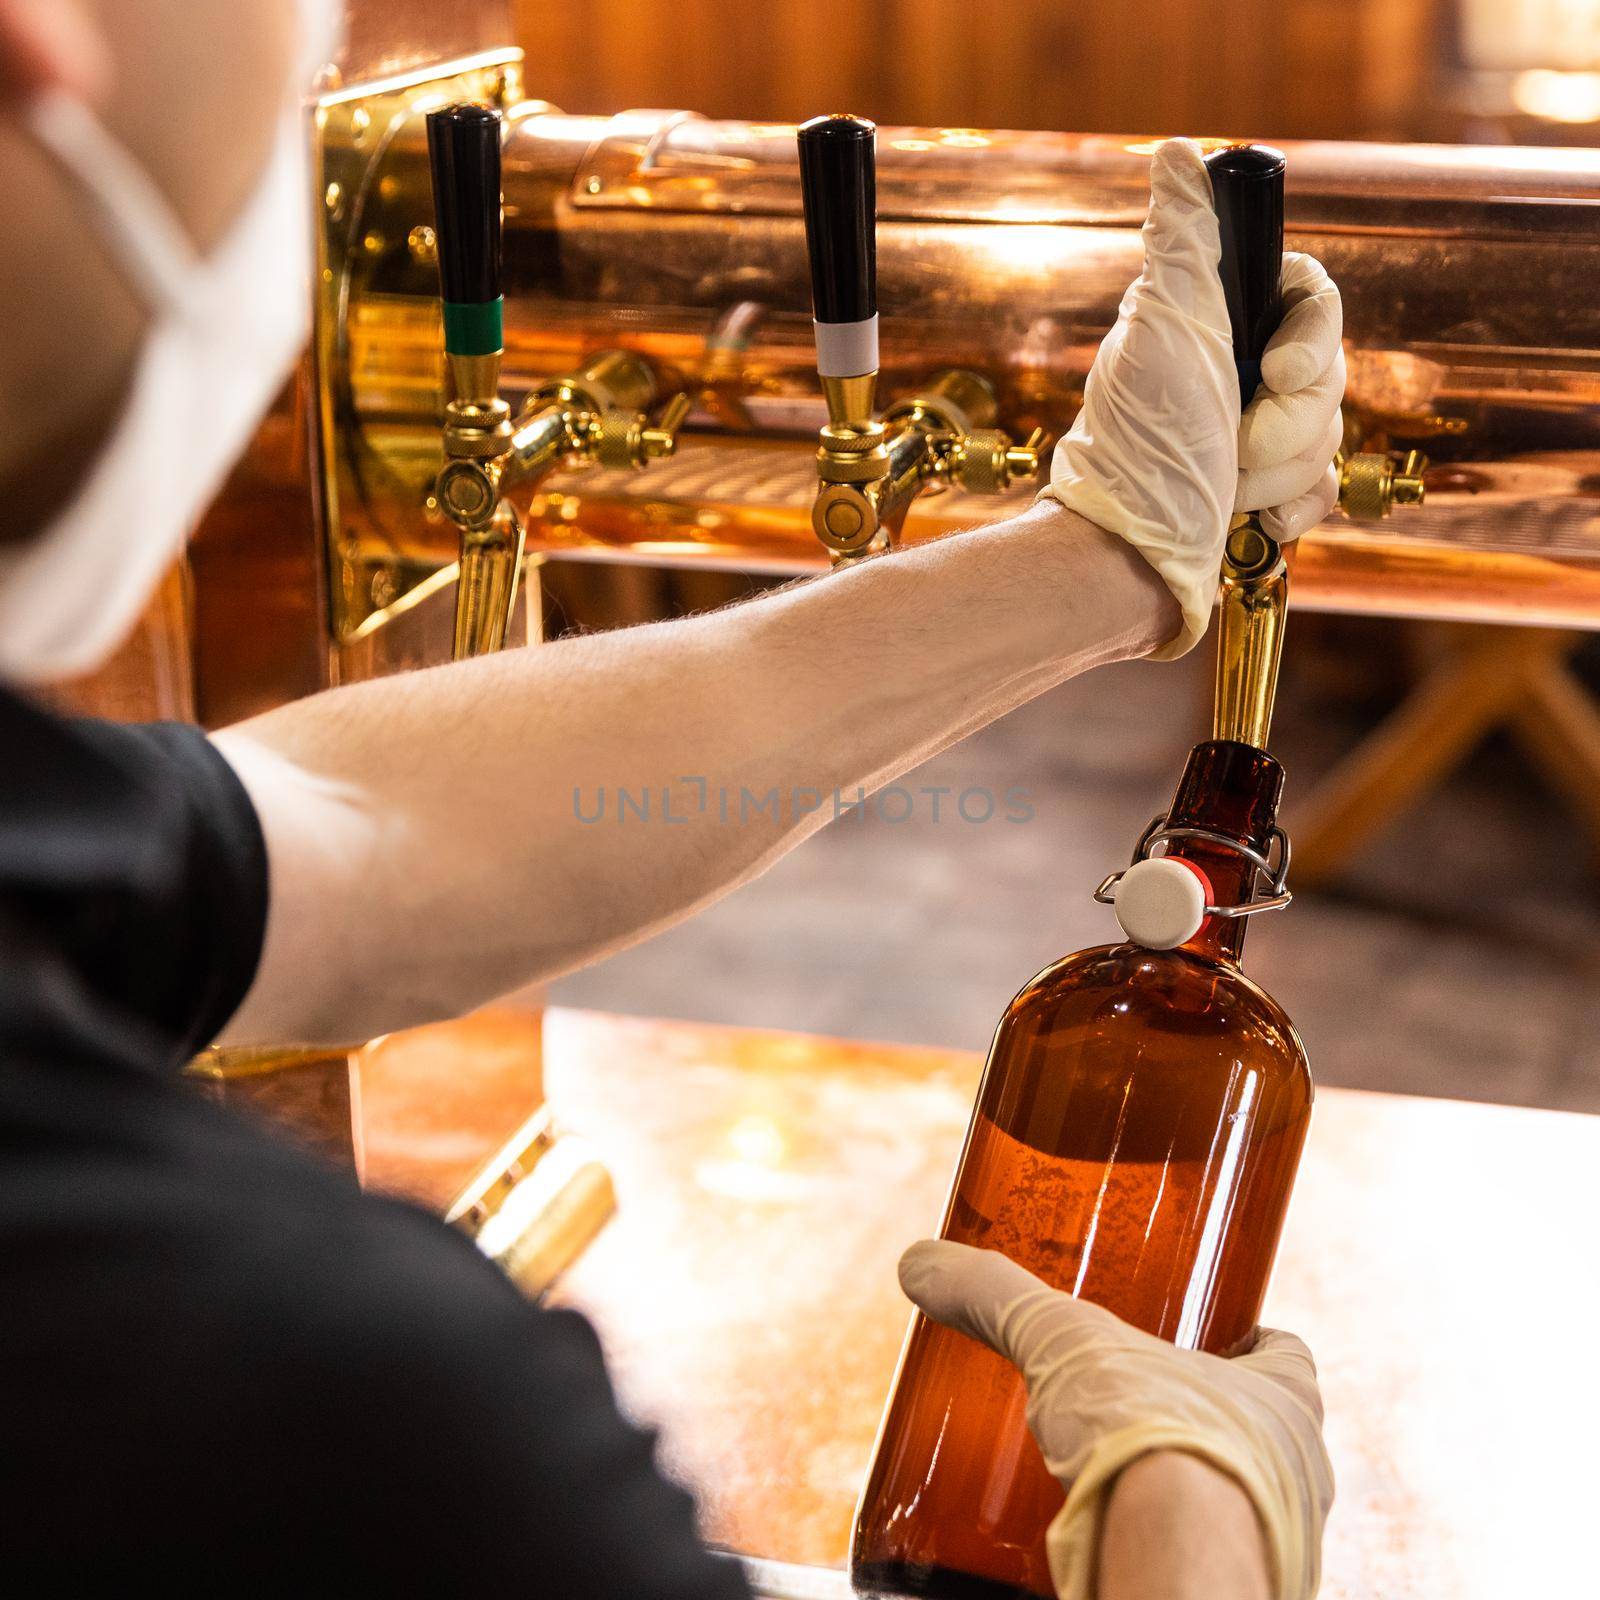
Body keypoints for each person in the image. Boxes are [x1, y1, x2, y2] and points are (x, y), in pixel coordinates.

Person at [0, 2, 1337, 1596]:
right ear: (38, 54)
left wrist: (1100, 562)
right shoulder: (322, 1408)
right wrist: (1202, 1538)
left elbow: (346, 837)